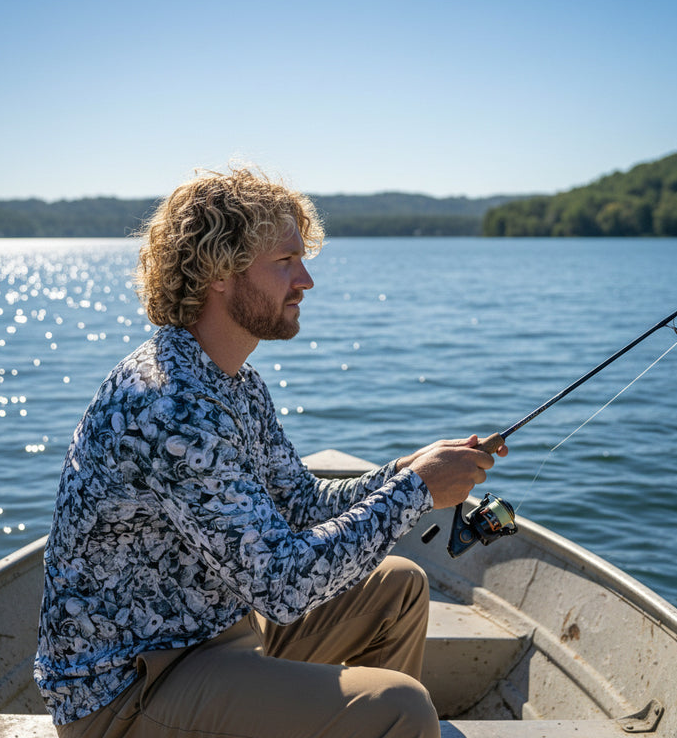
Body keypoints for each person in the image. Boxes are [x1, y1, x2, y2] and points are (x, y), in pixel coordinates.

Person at [35, 166, 507, 738]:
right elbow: (282, 586)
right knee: (401, 707)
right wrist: (416, 492)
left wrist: (400, 473)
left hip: (214, 633)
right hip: (130, 691)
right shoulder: (171, 404)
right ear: (218, 272)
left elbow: (299, 503)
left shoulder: (234, 382)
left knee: (399, 587)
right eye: (285, 261)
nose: (305, 280)